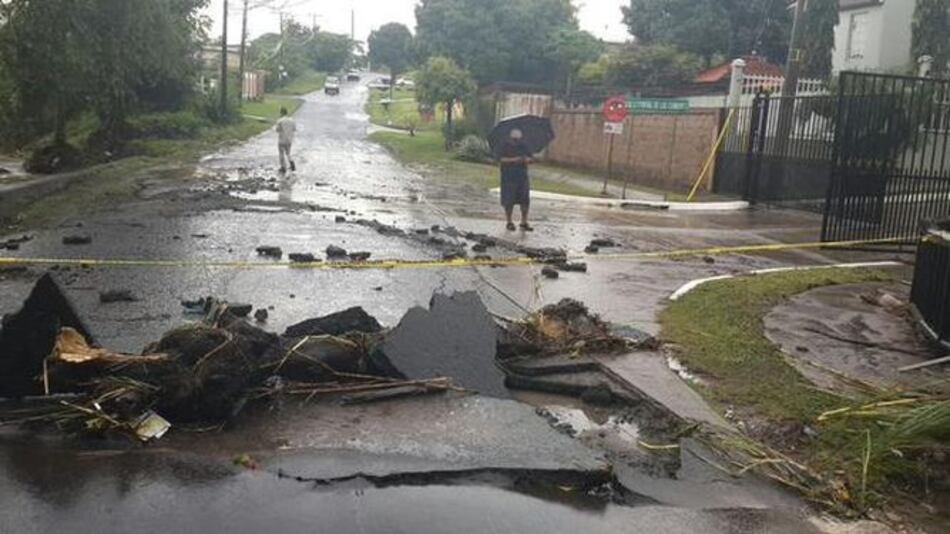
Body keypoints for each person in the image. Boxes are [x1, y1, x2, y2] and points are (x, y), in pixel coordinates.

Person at [499, 129, 533, 231]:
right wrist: (514, 160)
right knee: (509, 200)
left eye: (518, 139)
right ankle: (509, 221)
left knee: (525, 200)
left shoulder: (524, 145)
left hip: (522, 176)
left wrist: (527, 160)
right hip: (508, 176)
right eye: (514, 139)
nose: (516, 141)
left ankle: (524, 222)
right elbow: (500, 159)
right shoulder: (503, 145)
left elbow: (531, 157)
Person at [275, 107, 296, 173]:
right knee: (288, 153)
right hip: (289, 140)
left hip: (282, 140)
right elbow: (294, 129)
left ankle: (283, 167)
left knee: (281, 154)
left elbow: (277, 130)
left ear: (281, 113)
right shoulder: (292, 120)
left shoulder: (280, 121)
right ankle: (291, 162)